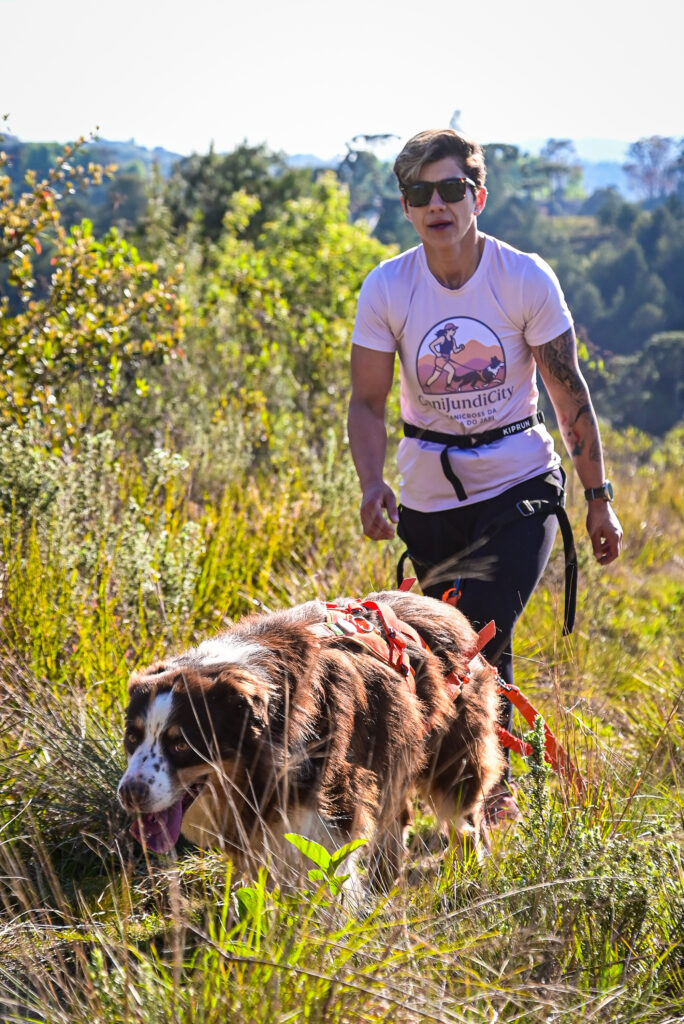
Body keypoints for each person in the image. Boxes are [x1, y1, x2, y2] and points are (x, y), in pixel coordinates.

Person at [347, 129, 623, 823]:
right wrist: (371, 482)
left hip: (519, 487)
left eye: (450, 189)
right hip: (429, 499)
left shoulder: (522, 277)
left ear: (478, 195)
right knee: (451, 650)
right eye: (420, 193)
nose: (437, 204)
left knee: (476, 637)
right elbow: (367, 402)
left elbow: (569, 393)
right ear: (407, 207)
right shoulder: (388, 287)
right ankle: (460, 779)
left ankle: (487, 799)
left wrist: (597, 500)